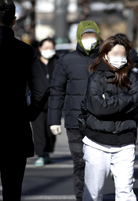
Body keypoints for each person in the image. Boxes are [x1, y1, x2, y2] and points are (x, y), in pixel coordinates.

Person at [0, 1, 49, 201]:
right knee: (12, 191)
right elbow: (42, 90)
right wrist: (28, 115)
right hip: (15, 129)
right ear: (14, 20)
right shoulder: (25, 51)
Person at [81, 35, 138, 201]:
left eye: (123, 54)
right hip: (96, 144)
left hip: (125, 143)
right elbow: (98, 107)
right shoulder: (96, 77)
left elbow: (136, 104)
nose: (119, 58)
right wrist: (125, 101)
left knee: (126, 193)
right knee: (93, 194)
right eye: (115, 54)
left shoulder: (132, 77)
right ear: (106, 55)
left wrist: (109, 102)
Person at [48, 20, 100, 201]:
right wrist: (54, 119)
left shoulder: (106, 58)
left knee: (97, 166)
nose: (89, 39)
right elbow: (56, 91)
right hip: (74, 122)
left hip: (101, 123)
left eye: (92, 35)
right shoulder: (66, 60)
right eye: (86, 35)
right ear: (79, 37)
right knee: (80, 163)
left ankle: (95, 195)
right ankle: (82, 198)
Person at [32, 38, 59, 166]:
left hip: (53, 103)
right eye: (46, 47)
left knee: (51, 131)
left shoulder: (58, 63)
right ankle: (41, 154)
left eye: (51, 47)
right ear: (40, 48)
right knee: (39, 130)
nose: (49, 50)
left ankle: (48, 151)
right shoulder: (35, 63)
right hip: (38, 103)